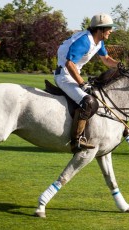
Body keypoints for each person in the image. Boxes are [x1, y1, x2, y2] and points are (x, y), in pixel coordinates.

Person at [54, 13, 119, 153]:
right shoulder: (84, 41)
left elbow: (106, 59)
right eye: (109, 28)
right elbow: (69, 63)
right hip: (64, 75)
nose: (111, 31)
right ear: (100, 30)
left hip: (73, 74)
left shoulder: (99, 42)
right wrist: (82, 83)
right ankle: (76, 140)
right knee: (88, 101)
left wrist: (120, 66)